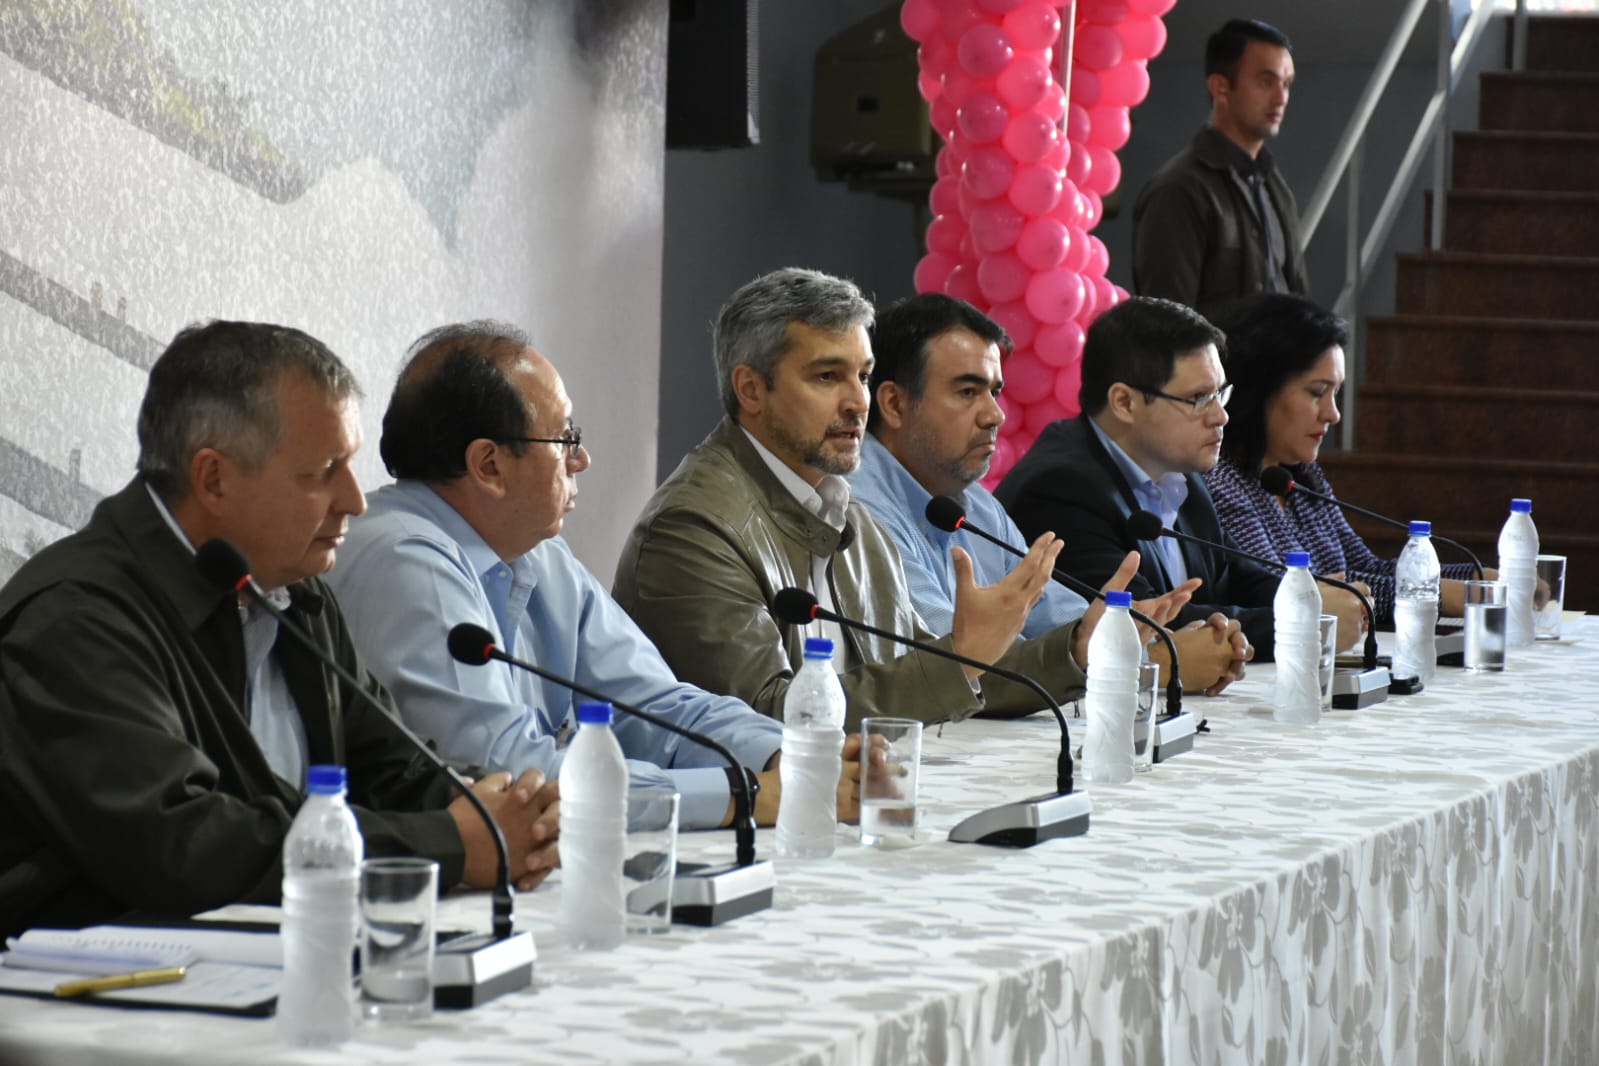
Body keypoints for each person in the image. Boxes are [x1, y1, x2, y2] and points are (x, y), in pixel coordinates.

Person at [0, 321, 556, 938]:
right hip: (78, 997)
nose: (355, 499)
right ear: (213, 479)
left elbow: (395, 769)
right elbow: (184, 844)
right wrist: (450, 844)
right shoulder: (77, 618)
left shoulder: (291, 589)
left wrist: (510, 813)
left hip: (254, 959)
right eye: (323, 471)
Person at [327, 322, 857, 833]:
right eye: (564, 437)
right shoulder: (404, 561)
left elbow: (654, 707)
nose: (581, 458)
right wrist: (739, 794)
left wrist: (793, 755)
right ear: (489, 465)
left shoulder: (538, 554)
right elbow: (510, 777)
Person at [615, 267, 1130, 730]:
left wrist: (1075, 652)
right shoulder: (693, 528)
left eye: (862, 375)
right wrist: (962, 658)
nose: (858, 401)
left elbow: (931, 668)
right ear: (751, 389)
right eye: (827, 376)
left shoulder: (846, 514)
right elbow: (767, 717)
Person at [855, 292, 1257, 695]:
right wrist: (1143, 663)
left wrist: (1133, 634)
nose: (995, 415)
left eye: (995, 392)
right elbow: (954, 661)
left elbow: (1058, 617)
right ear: (893, 403)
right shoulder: (860, 507)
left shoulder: (974, 503)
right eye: (967, 392)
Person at [995, 296, 1367, 660]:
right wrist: (1303, 622)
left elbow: (1238, 576)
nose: (1221, 416)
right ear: (1125, 403)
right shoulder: (1060, 490)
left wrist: (1310, 598)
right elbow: (1144, 621)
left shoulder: (1179, 473)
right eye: (1200, 398)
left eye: (1222, 394)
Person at [1204, 294, 1480, 624]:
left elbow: (1366, 569)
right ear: (1260, 389)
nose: (1333, 414)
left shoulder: (1302, 474)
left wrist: (1477, 576)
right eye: (1317, 392)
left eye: (1335, 394)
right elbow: (1288, 595)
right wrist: (1443, 595)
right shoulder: (1221, 481)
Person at [1131, 18, 1309, 322]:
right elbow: (1167, 330)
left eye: (1286, 83)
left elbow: (1298, 300)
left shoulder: (1274, 188)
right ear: (1221, 88)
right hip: (1218, 369)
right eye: (1266, 81)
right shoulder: (1179, 189)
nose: (1281, 98)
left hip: (1280, 368)